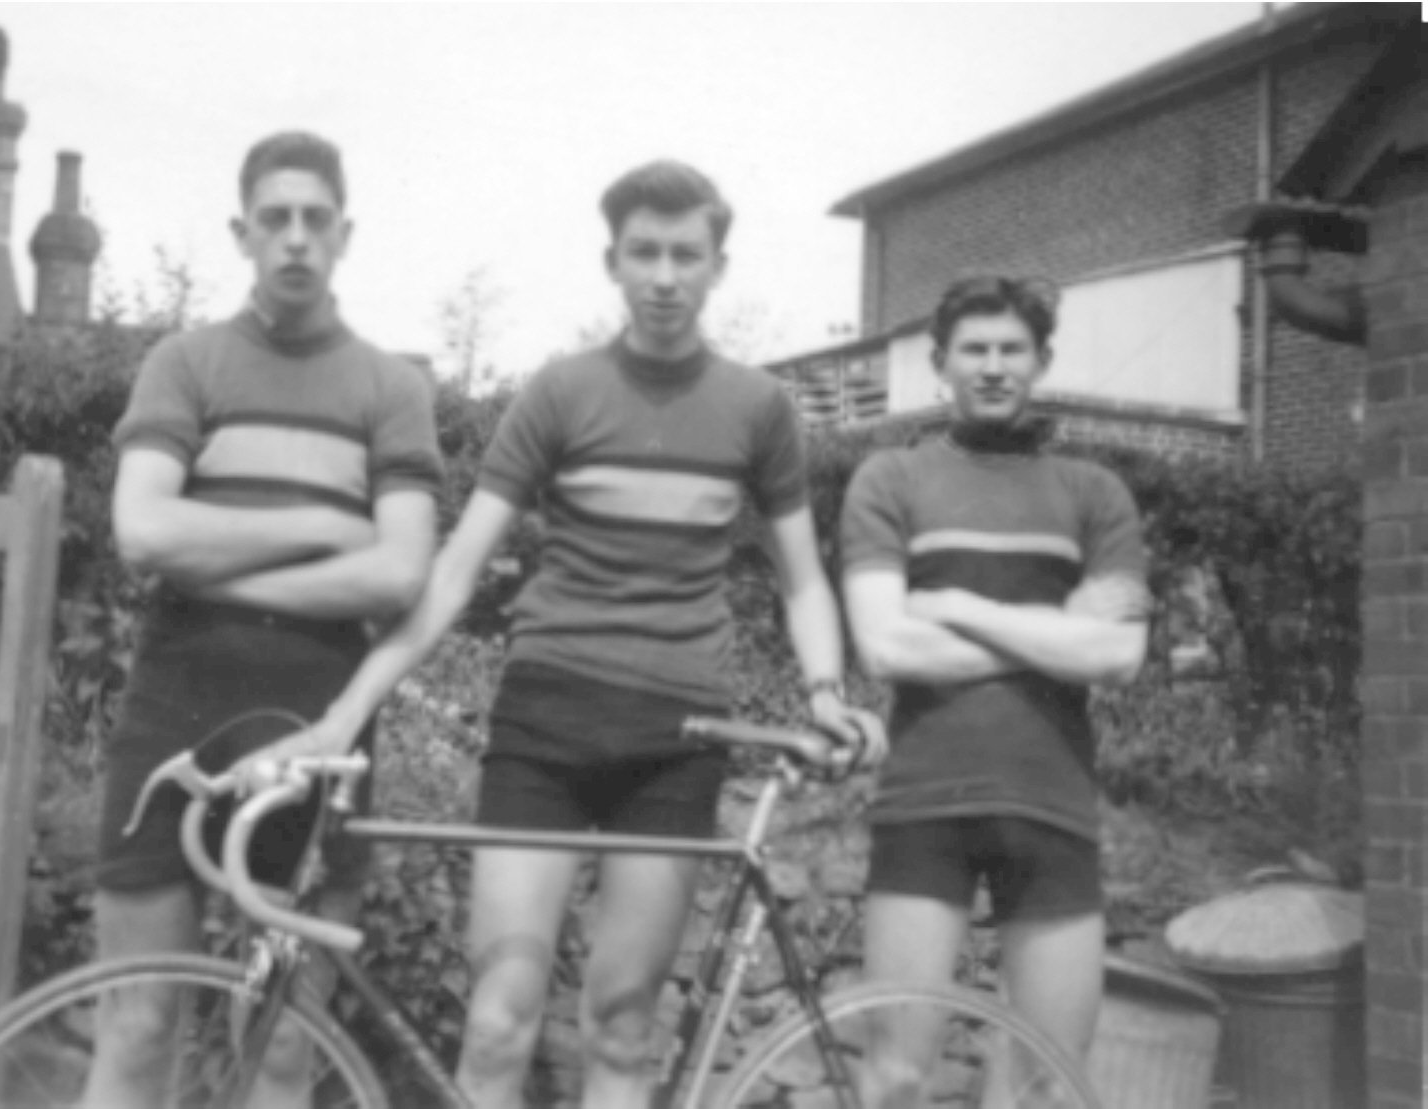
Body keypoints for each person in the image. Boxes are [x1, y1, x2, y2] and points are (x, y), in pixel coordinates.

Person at [256, 160, 882, 1109]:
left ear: (718, 266)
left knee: (621, 1030)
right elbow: (455, 571)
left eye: (685, 254)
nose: (664, 276)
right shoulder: (558, 392)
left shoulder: (758, 409)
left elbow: (802, 577)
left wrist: (827, 691)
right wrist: (345, 713)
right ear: (612, 262)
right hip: (544, 722)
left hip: (679, 739)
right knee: (500, 1022)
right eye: (644, 253)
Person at [90, 131, 442, 1108]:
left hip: (317, 716)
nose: (295, 238)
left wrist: (232, 565)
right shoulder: (185, 362)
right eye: (275, 219)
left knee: (284, 1041)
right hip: (178, 701)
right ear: (242, 232)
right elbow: (144, 530)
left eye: (314, 219)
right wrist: (324, 524)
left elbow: (399, 571)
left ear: (345, 233)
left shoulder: (390, 387)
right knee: (137, 1022)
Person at [839, 276, 1150, 1096]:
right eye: (973, 349)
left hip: (1052, 807)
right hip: (923, 805)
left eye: (1011, 349)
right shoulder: (889, 478)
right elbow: (881, 643)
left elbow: (1119, 655)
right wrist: (1056, 635)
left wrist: (955, 604)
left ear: (1040, 361)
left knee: (1048, 1083)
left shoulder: (1093, 494)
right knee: (896, 1075)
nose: (992, 366)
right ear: (939, 363)